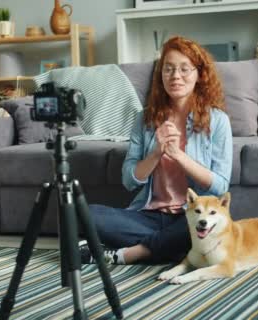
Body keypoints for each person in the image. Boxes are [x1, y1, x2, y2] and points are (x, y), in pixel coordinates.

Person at [81, 36, 233, 265]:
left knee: (206, 224)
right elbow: (129, 180)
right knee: (84, 213)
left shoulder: (218, 121)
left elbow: (220, 186)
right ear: (160, 74)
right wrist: (156, 152)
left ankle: (130, 254)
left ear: (199, 74)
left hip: (190, 215)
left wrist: (179, 156)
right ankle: (173, 248)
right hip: (148, 216)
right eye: (168, 69)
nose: (175, 76)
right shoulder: (145, 119)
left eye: (184, 69)